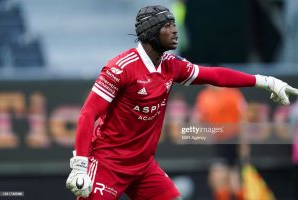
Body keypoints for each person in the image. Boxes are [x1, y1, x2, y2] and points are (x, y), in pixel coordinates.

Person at [65, 5, 298, 200]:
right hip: (108, 164)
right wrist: (80, 165)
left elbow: (215, 75)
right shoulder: (120, 69)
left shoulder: (171, 65)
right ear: (151, 33)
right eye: (168, 26)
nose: (175, 31)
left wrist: (264, 81)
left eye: (174, 24)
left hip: (143, 167)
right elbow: (88, 113)